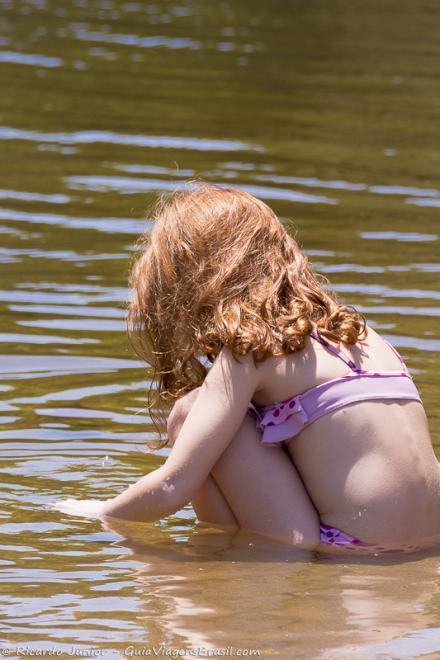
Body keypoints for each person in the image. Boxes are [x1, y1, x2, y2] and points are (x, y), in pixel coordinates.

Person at [100, 181, 440, 552]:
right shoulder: (363, 336)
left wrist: (96, 514)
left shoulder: (252, 349)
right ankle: (228, 554)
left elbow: (170, 489)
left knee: (189, 411)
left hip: (356, 550)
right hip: (430, 543)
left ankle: (236, 560)